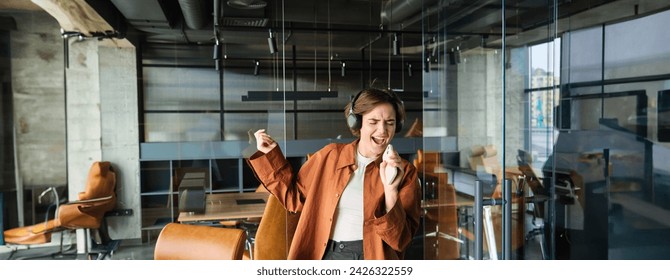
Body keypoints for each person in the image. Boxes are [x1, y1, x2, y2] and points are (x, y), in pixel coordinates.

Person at [246, 88, 421, 260]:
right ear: (357, 123)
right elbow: (294, 198)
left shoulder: (405, 173)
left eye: (389, 122)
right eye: (373, 122)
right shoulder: (329, 156)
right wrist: (271, 156)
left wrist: (391, 190)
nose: (382, 131)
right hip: (324, 254)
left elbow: (400, 240)